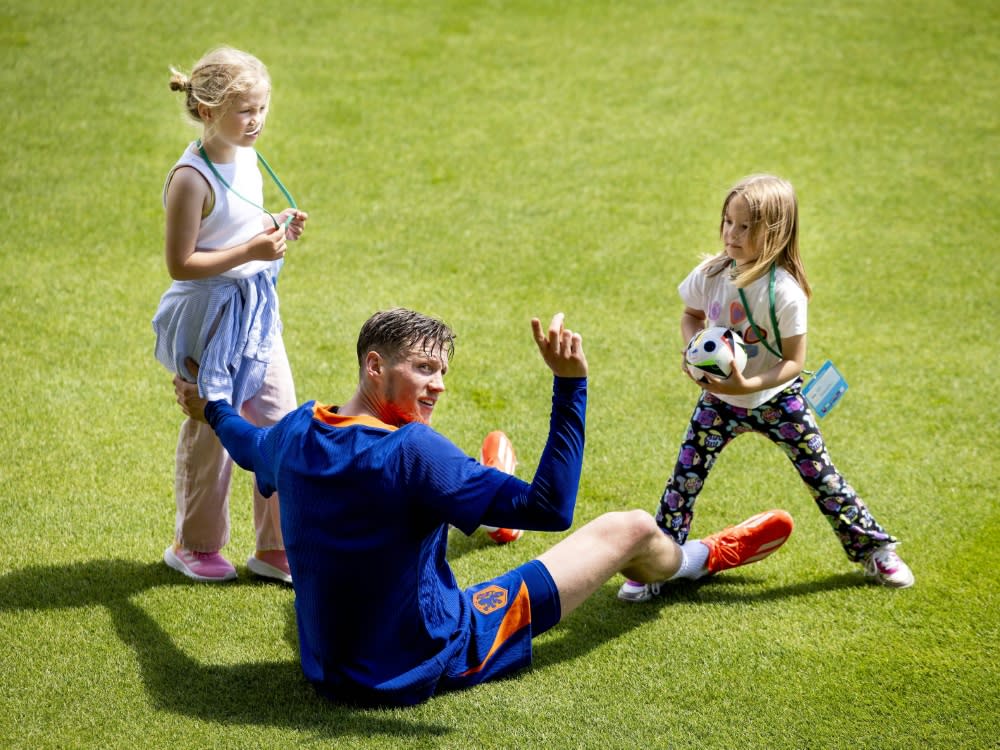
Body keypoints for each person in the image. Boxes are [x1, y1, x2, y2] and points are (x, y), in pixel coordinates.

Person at [173, 308, 794, 706]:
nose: (438, 384)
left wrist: (211, 407)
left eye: (441, 370)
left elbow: (249, 446)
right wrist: (570, 384)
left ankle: (483, 495)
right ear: (373, 365)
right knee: (628, 527)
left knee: (424, 509)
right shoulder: (416, 451)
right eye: (423, 368)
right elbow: (551, 508)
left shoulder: (299, 432)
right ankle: (696, 559)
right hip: (433, 653)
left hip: (326, 669)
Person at [618, 174, 913, 604]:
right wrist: (692, 352)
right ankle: (654, 566)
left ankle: (875, 550)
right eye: (727, 222)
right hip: (718, 401)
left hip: (779, 401)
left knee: (823, 477)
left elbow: (794, 363)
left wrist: (748, 383)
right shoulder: (711, 273)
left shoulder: (787, 294)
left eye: (744, 227)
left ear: (773, 234)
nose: (731, 234)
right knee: (684, 479)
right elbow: (689, 314)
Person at [152, 47, 309, 584]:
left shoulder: (247, 155)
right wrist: (250, 253)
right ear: (206, 110)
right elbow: (181, 262)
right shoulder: (190, 179)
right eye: (246, 110)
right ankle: (193, 544)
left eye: (263, 108)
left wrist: (275, 227)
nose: (257, 120)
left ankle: (275, 546)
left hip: (256, 309)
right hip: (210, 312)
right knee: (212, 426)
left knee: (279, 417)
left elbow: (242, 223)